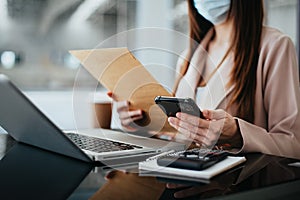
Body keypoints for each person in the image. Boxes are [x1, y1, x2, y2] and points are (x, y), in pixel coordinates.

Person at [108, 0, 300, 159]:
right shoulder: (188, 57)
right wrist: (140, 123)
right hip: (183, 177)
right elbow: (178, 133)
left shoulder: (275, 46)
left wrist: (238, 135)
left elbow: (293, 144)